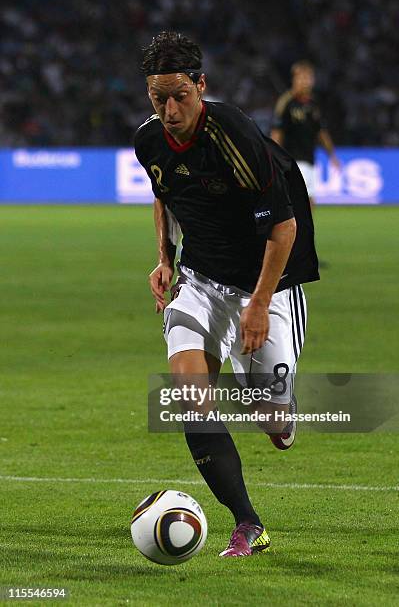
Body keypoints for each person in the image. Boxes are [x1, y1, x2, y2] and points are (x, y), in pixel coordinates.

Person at [135, 32, 319, 558]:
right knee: (191, 400)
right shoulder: (148, 139)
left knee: (273, 420)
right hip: (199, 279)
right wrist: (166, 258)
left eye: (179, 96)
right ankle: (248, 524)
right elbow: (163, 193)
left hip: (269, 285)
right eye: (157, 99)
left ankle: (279, 411)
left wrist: (258, 305)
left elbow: (282, 228)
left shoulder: (235, 135)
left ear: (201, 86)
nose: (169, 110)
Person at [271, 60, 339, 208]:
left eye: (308, 78)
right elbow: (277, 131)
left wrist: (332, 155)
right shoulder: (287, 103)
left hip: (309, 159)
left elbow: (321, 132)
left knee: (309, 202)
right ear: (294, 80)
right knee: (301, 202)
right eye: (301, 78)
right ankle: (299, 231)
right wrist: (275, 157)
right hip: (292, 159)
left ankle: (303, 231)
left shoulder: (312, 104)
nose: (305, 82)